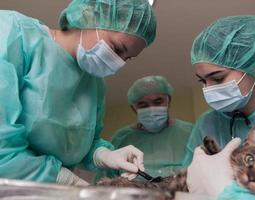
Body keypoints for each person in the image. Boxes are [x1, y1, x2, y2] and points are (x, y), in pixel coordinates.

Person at [0, 0, 156, 186]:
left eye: (127, 58)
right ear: (91, 16)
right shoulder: (13, 34)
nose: (119, 63)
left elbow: (82, 146)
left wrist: (104, 155)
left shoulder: (95, 85)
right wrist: (62, 179)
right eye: (117, 49)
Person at [183, 15, 255, 199]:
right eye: (202, 81)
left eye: (218, 78)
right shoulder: (207, 125)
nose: (208, 89)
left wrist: (229, 194)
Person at [109, 75, 193, 179]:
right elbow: (104, 182)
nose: (152, 109)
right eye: (143, 105)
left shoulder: (190, 132)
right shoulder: (121, 138)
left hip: (182, 194)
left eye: (158, 102)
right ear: (133, 109)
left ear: (168, 101)